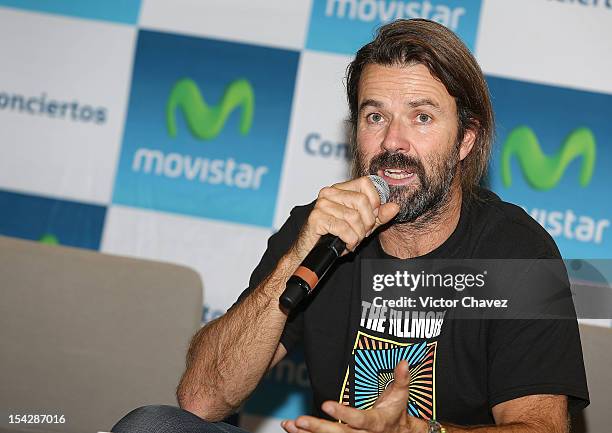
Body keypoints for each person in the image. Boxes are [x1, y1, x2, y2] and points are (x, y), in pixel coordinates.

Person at [112, 18, 589, 433]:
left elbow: (541, 427)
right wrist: (297, 258)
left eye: (421, 117)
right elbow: (202, 400)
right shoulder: (318, 229)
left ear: (466, 138)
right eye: (375, 115)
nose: (392, 141)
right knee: (150, 426)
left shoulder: (517, 251)